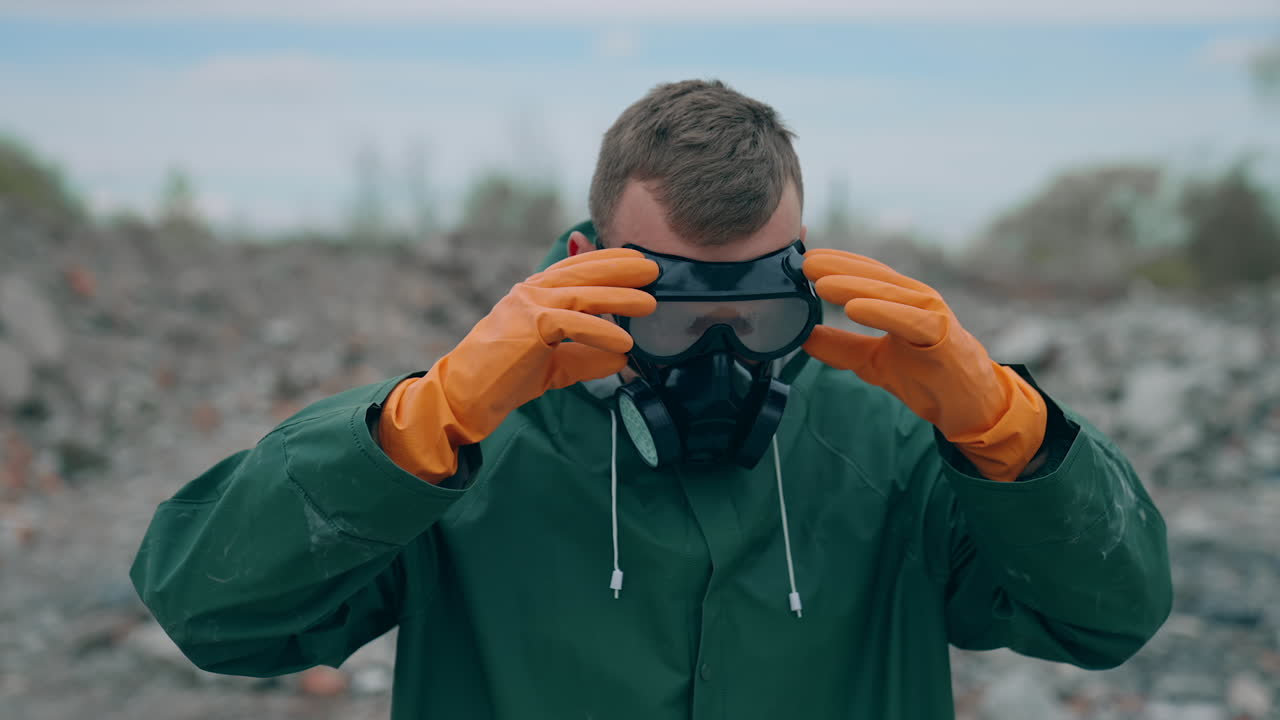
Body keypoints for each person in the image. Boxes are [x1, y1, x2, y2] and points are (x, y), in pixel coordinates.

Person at [130, 79, 1172, 719]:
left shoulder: (895, 444)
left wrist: (1005, 434)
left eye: (761, 310)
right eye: (669, 311)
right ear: (587, 266)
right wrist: (417, 428)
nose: (718, 357)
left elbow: (1106, 620)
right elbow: (215, 615)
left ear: (807, 273)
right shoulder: (467, 439)